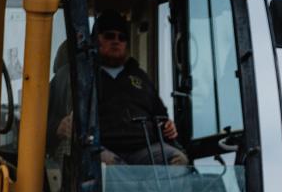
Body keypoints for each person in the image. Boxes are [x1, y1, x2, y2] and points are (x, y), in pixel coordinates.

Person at [49, 10, 188, 166]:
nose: (116, 41)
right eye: (109, 36)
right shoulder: (72, 77)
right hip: (98, 148)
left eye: (121, 38)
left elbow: (160, 116)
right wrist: (58, 127)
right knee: (114, 167)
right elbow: (43, 122)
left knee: (177, 159)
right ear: (95, 40)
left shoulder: (140, 78)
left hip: (143, 149)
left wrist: (168, 127)